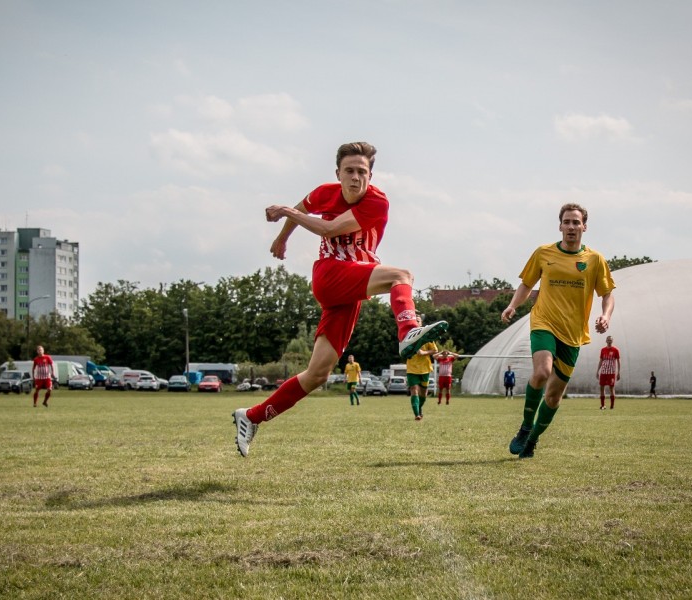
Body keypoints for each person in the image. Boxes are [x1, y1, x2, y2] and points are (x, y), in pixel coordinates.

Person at [232, 142, 448, 457]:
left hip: (350, 288)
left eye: (362, 172)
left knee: (317, 373)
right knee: (402, 275)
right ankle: (407, 330)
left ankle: (251, 417)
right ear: (338, 173)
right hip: (330, 275)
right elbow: (303, 209)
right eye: (349, 171)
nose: (356, 177)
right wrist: (281, 238)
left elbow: (329, 227)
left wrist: (287, 214)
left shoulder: (377, 202)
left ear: (370, 176)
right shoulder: (324, 192)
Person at [500, 203, 616, 459]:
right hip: (544, 322)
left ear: (584, 226)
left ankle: (532, 440)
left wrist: (605, 316)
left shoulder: (594, 260)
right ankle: (525, 426)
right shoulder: (544, 253)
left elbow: (607, 294)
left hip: (573, 334)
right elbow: (526, 284)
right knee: (542, 372)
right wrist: (512, 306)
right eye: (567, 222)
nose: (571, 227)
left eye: (576, 222)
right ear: (560, 226)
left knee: (553, 397)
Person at [407, 314, 439, 420]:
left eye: (418, 321)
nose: (416, 323)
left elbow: (435, 350)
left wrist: (424, 352)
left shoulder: (427, 336)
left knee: (424, 393)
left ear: (421, 323)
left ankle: (419, 408)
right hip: (412, 368)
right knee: (414, 389)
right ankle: (416, 414)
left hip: (425, 369)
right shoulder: (407, 336)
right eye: (414, 321)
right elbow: (402, 351)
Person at [596, 335, 621, 409]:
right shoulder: (603, 350)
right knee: (601, 388)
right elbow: (601, 360)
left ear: (612, 341)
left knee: (611, 388)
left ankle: (612, 406)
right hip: (603, 372)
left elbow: (618, 361)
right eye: (608, 340)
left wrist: (618, 372)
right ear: (606, 341)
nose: (609, 341)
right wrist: (597, 371)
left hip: (611, 372)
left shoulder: (615, 350)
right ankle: (603, 405)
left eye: (610, 340)